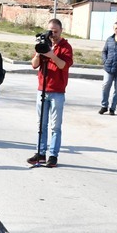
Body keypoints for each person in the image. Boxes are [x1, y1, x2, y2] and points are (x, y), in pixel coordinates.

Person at [26, 18, 72, 168]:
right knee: (41, 124)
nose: (52, 34)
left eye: (55, 31)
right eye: (50, 31)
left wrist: (51, 54)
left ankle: (53, 155)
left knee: (55, 126)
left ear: (61, 31)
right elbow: (34, 65)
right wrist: (40, 52)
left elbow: (63, 65)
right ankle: (40, 152)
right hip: (42, 89)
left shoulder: (66, 46)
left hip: (57, 91)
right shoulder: (44, 43)